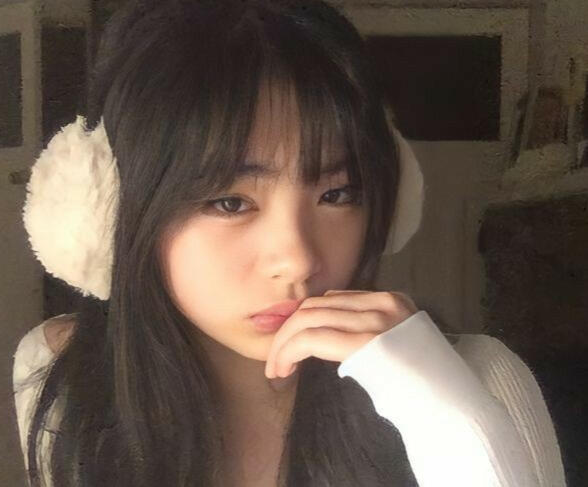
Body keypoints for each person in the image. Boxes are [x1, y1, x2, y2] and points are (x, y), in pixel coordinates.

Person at [12, 0, 566, 486]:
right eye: (230, 202)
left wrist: (454, 424)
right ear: (115, 212)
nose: (298, 260)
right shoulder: (61, 376)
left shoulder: (481, 379)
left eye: (337, 194)